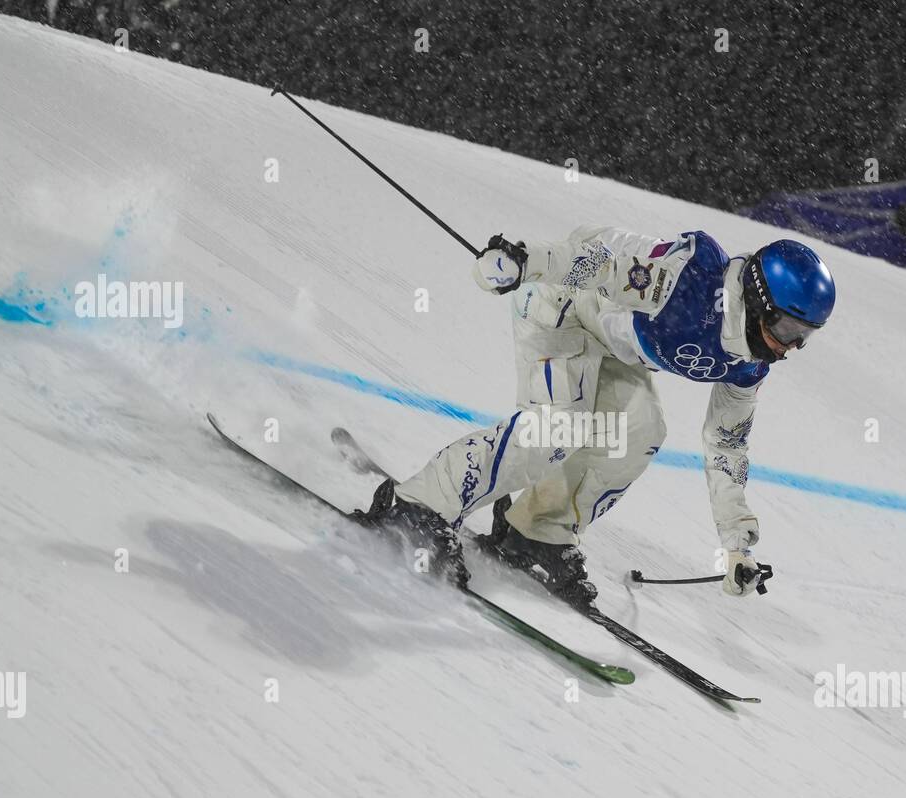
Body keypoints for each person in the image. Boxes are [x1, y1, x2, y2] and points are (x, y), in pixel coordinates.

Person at [357, 227, 836, 606]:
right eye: (788, 327)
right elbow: (598, 265)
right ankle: (417, 506)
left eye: (805, 336)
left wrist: (737, 544)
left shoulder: (751, 361)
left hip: (611, 346)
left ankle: (538, 531)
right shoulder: (687, 281)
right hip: (559, 303)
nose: (790, 347)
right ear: (757, 299)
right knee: (556, 430)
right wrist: (525, 261)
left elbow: (727, 443)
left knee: (640, 430)